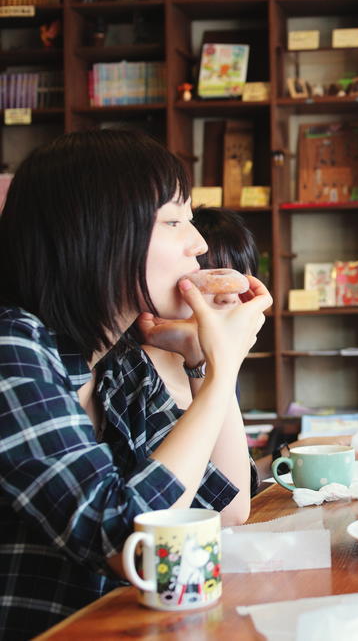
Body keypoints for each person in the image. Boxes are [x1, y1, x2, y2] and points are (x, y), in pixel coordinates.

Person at [0, 130, 272, 637]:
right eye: (173, 221)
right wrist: (220, 378)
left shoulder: (119, 365)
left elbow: (226, 509)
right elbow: (131, 540)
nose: (199, 244)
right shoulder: (12, 349)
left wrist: (208, 366)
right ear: (96, 232)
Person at [141, 206, 260, 410]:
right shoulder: (137, 371)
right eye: (210, 280)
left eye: (238, 280)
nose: (229, 297)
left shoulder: (217, 362)